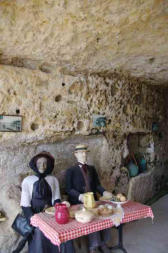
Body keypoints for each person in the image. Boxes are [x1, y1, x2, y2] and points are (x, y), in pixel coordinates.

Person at [20, 151, 74, 253]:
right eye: (39, 163)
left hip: (51, 214)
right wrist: (33, 219)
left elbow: (56, 200)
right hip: (35, 215)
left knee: (63, 230)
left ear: (49, 165)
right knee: (39, 234)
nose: (42, 166)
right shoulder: (27, 180)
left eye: (45, 163)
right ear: (35, 164)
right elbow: (25, 205)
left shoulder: (53, 179)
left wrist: (60, 208)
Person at [66, 144, 112, 253]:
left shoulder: (92, 168)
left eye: (85, 152)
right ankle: (94, 246)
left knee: (104, 216)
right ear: (75, 154)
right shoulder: (71, 170)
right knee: (90, 219)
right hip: (79, 203)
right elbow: (68, 189)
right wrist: (79, 196)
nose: (84, 154)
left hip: (93, 200)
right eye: (81, 152)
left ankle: (103, 243)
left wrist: (104, 191)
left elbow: (96, 185)